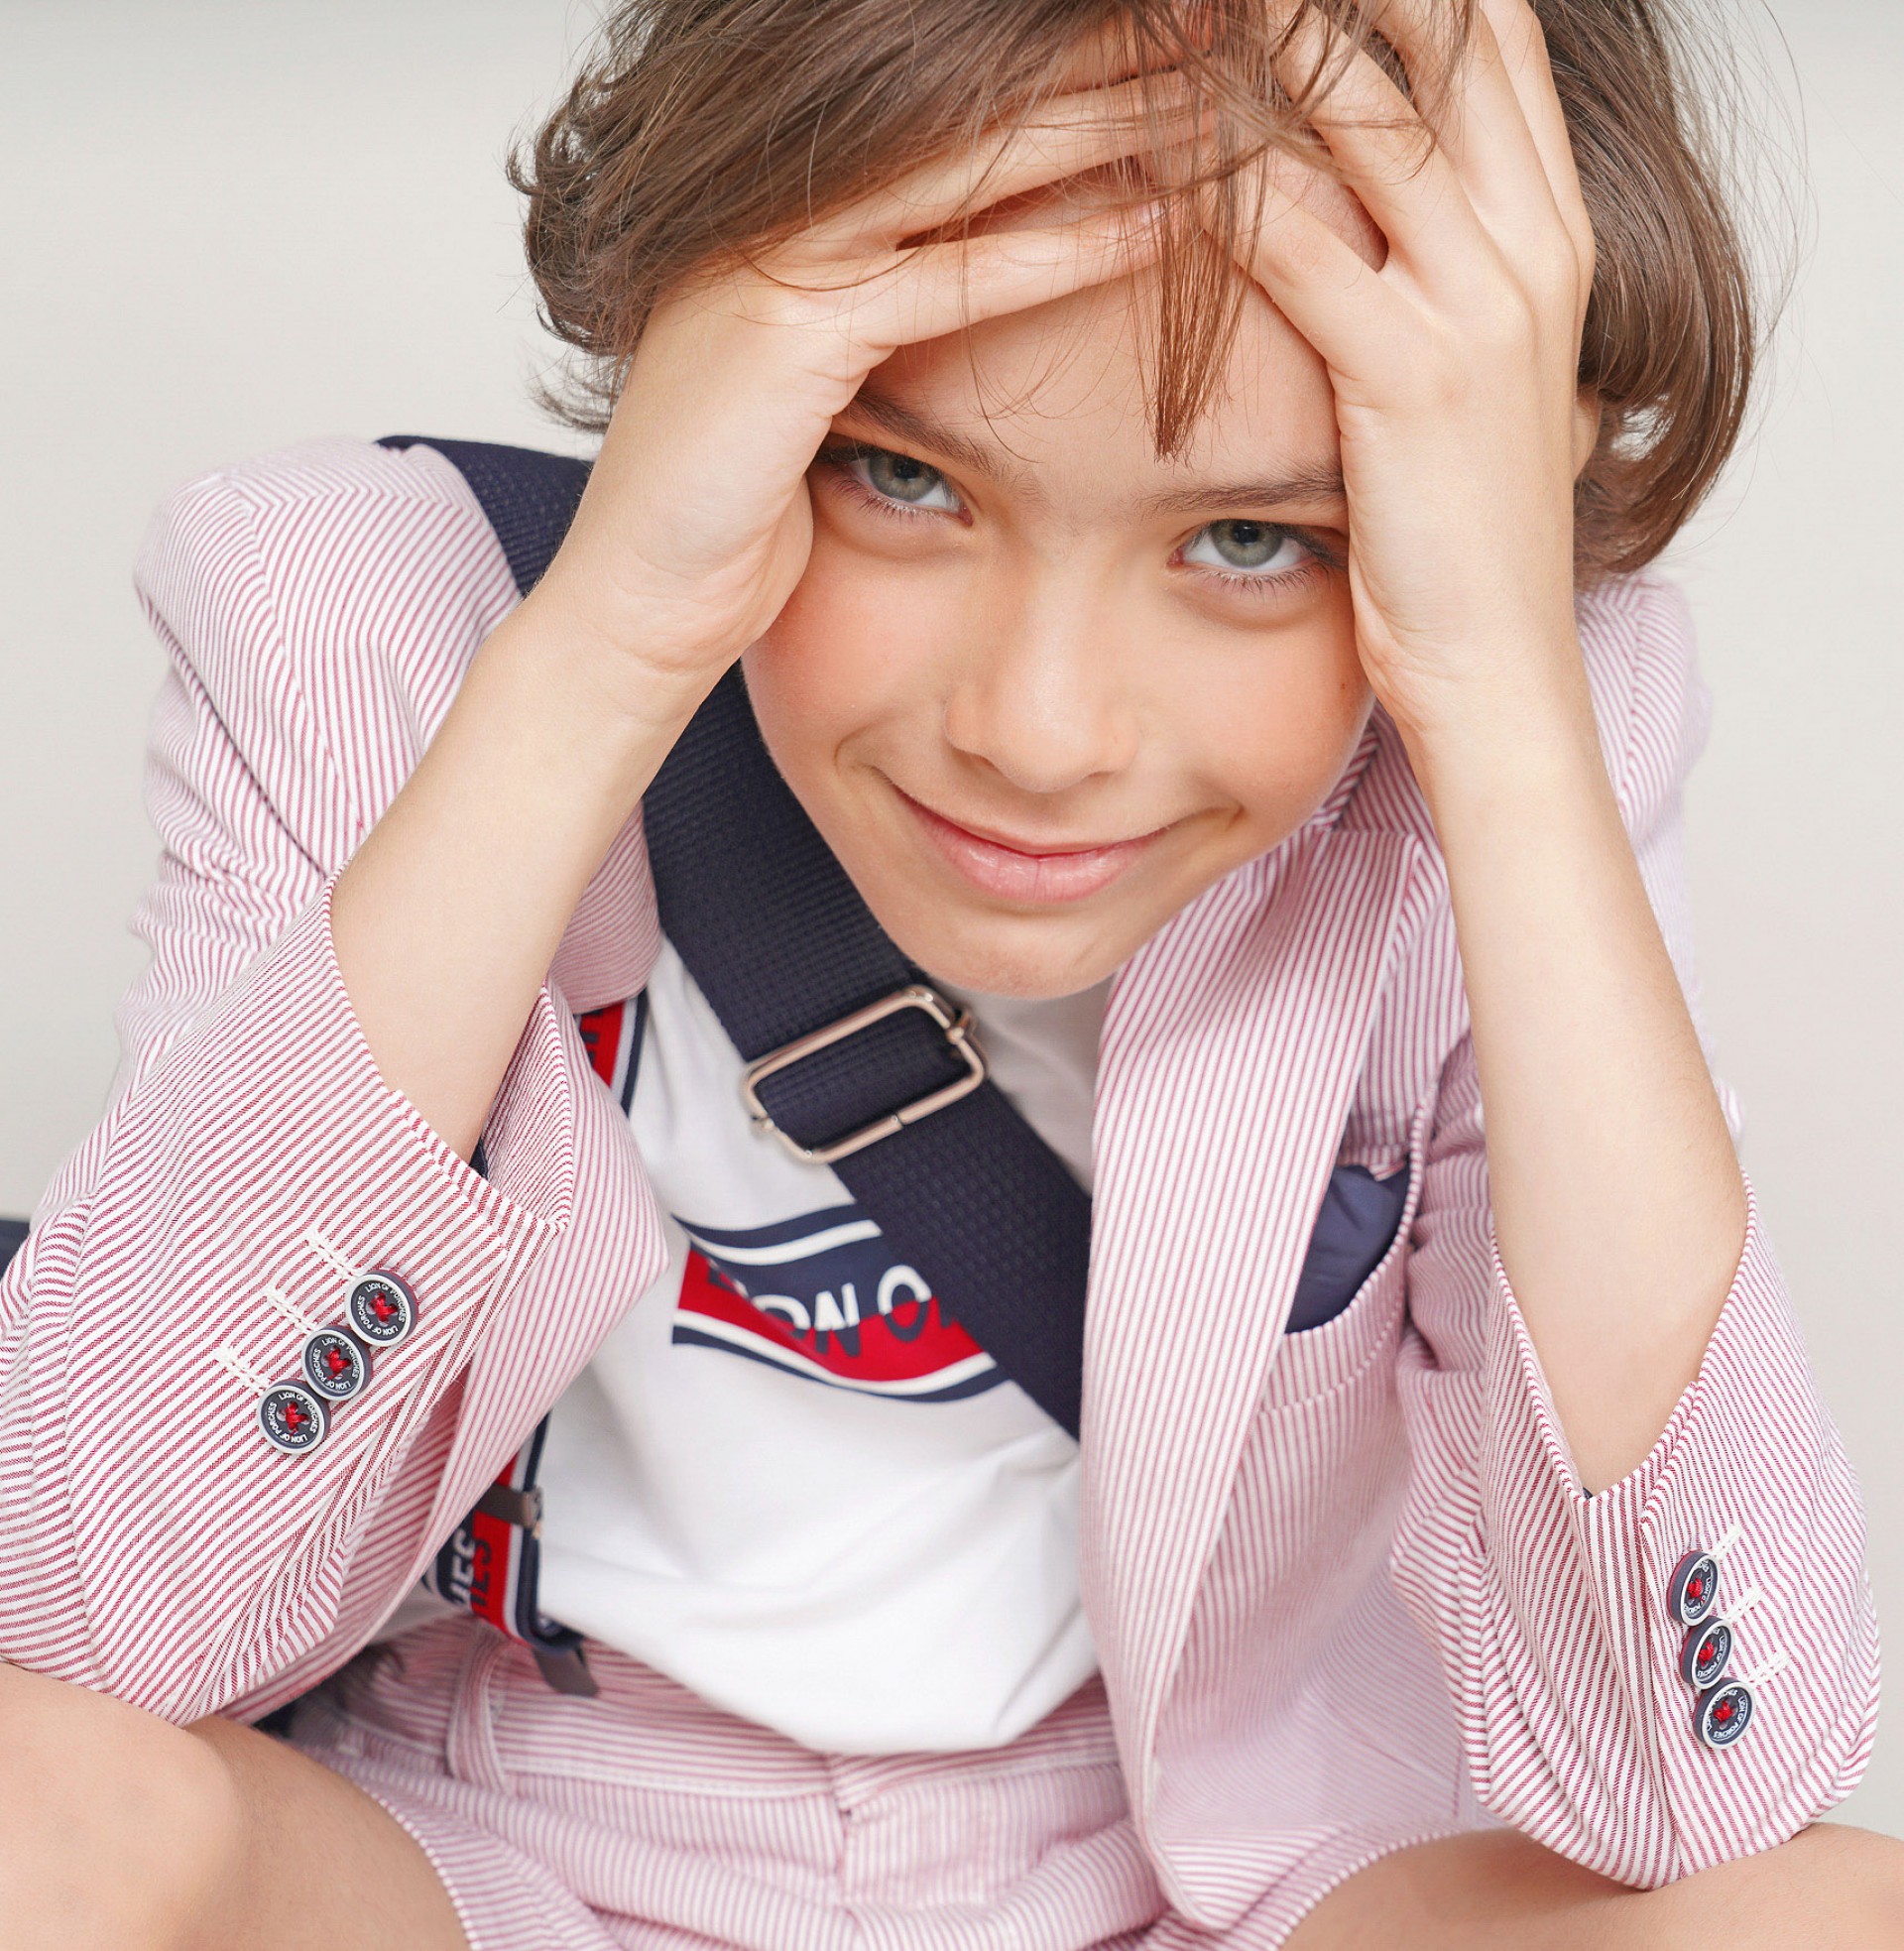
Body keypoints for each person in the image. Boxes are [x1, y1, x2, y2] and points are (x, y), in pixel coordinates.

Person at [0, 0, 1897, 1944]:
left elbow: (1695, 1786)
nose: (1042, 728)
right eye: (903, 478)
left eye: (1253, 537)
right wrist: (595, 666)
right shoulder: (366, 626)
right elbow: (80, 1616)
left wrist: (1505, 718)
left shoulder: (1489, 757)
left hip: (1204, 1885)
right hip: (497, 1865)